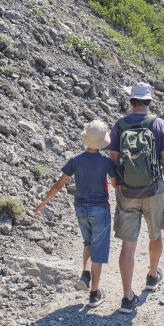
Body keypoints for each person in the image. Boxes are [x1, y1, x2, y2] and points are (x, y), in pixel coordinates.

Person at [107, 82, 164, 314]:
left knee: (128, 246)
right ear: (150, 102)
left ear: (130, 102)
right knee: (155, 234)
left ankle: (127, 298)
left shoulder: (119, 125)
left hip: (127, 191)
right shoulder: (159, 124)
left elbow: (113, 159)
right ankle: (152, 276)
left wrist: (117, 183)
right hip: (154, 189)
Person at [35, 120, 114, 308]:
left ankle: (85, 275)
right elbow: (116, 185)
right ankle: (94, 293)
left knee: (87, 243)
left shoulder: (75, 160)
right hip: (100, 209)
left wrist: (43, 203)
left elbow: (59, 184)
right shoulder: (106, 162)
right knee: (99, 251)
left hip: (80, 208)